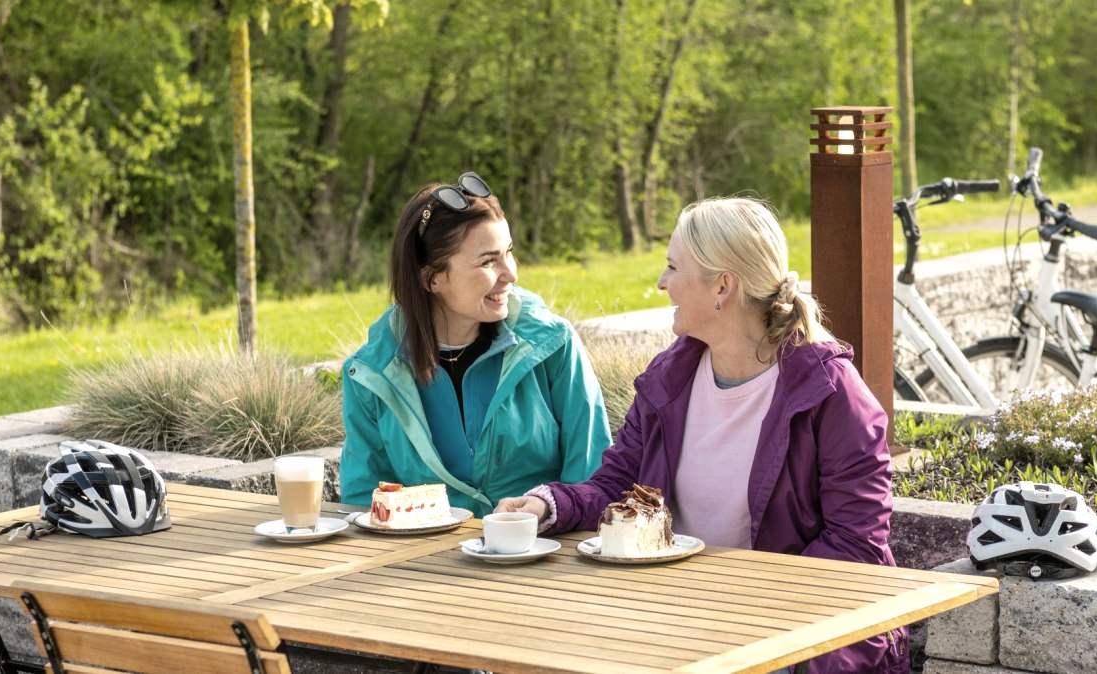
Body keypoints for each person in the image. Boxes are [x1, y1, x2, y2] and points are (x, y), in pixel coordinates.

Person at [495, 197, 907, 674]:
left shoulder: (831, 393)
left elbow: (854, 548)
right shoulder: (669, 379)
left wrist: (739, 613)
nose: (661, 282)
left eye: (673, 267)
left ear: (722, 287)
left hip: (804, 637)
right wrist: (548, 504)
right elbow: (619, 487)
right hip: (685, 622)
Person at [340, 172, 611, 516]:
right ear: (432, 278)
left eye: (508, 252)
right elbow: (364, 502)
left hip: (543, 544)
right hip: (424, 551)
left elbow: (591, 481)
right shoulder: (370, 375)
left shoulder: (554, 346)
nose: (511, 273)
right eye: (488, 261)